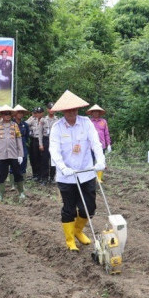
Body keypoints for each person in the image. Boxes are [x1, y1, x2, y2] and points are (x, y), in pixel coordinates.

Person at [49, 90, 105, 251]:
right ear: (63, 111)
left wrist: (100, 160)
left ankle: (78, 231)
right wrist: (63, 167)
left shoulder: (86, 122)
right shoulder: (57, 127)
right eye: (68, 110)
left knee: (89, 207)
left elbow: (95, 143)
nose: (72, 112)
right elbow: (54, 150)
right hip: (66, 176)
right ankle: (70, 240)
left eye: (74, 109)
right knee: (69, 208)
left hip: (86, 172)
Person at [0, 105, 25, 201]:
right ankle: (0, 194)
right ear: (2, 115)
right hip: (1, 155)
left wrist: (20, 154)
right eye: (5, 114)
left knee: (17, 173)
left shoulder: (14, 125)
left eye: (9, 114)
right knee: (1, 175)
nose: (7, 116)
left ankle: (21, 192)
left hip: (13, 154)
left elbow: (19, 140)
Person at [87, 104, 111, 182]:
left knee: (101, 161)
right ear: (92, 113)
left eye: (97, 112)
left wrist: (109, 144)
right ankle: (91, 178)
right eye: (94, 112)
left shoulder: (103, 122)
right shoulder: (89, 121)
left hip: (102, 145)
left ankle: (99, 178)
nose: (96, 113)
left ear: (99, 113)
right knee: (91, 161)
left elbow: (106, 133)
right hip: (91, 145)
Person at [39, 102, 59, 184]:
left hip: (54, 141)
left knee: (53, 160)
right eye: (50, 108)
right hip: (45, 140)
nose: (51, 110)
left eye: (53, 108)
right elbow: (40, 133)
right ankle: (44, 178)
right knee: (45, 160)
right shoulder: (43, 119)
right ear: (47, 109)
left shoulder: (57, 120)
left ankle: (52, 177)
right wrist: (40, 144)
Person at [26, 106, 44, 181]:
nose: (36, 114)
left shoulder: (44, 120)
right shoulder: (32, 119)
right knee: (33, 157)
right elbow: (26, 124)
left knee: (40, 158)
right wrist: (31, 117)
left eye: (37, 113)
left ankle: (40, 175)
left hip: (41, 140)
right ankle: (35, 174)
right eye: (35, 112)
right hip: (33, 139)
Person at [13, 105, 30, 177]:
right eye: (18, 112)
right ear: (15, 114)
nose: (20, 114)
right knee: (13, 160)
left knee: (24, 159)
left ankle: (22, 180)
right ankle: (13, 182)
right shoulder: (11, 123)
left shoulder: (25, 124)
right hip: (13, 143)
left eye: (21, 113)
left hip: (22, 143)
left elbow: (27, 135)